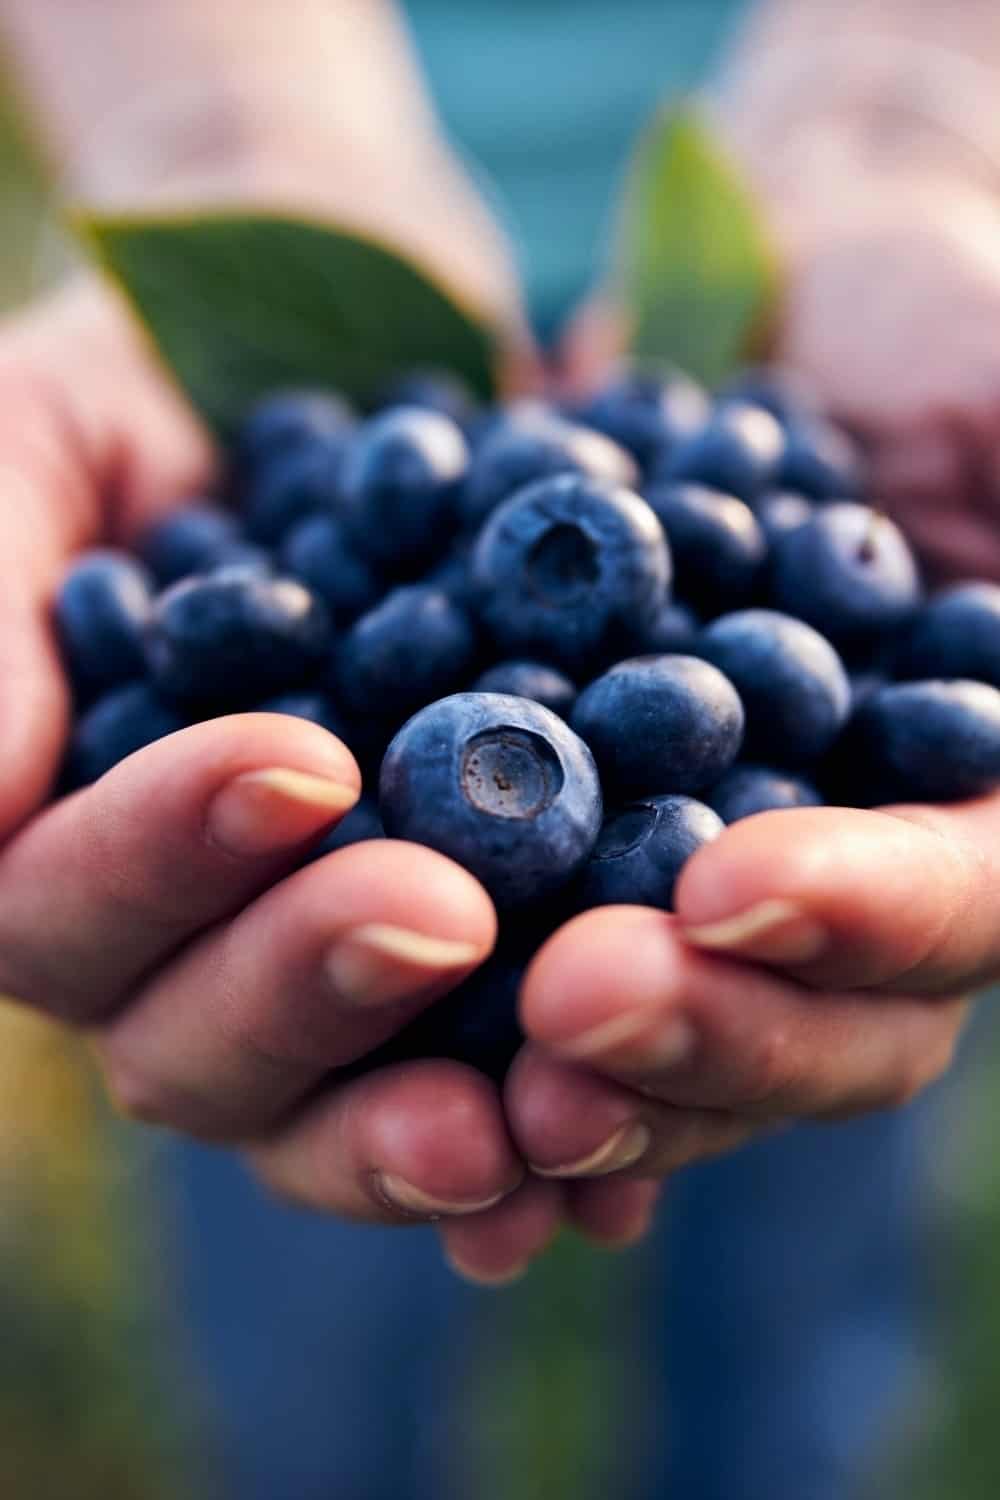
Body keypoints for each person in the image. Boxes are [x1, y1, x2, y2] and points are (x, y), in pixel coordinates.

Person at [0, 0, 998, 1494]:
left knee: (795, 1188)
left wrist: (909, 123)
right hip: (355, 237)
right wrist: (221, 142)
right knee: (322, 1219)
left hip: (788, 281)